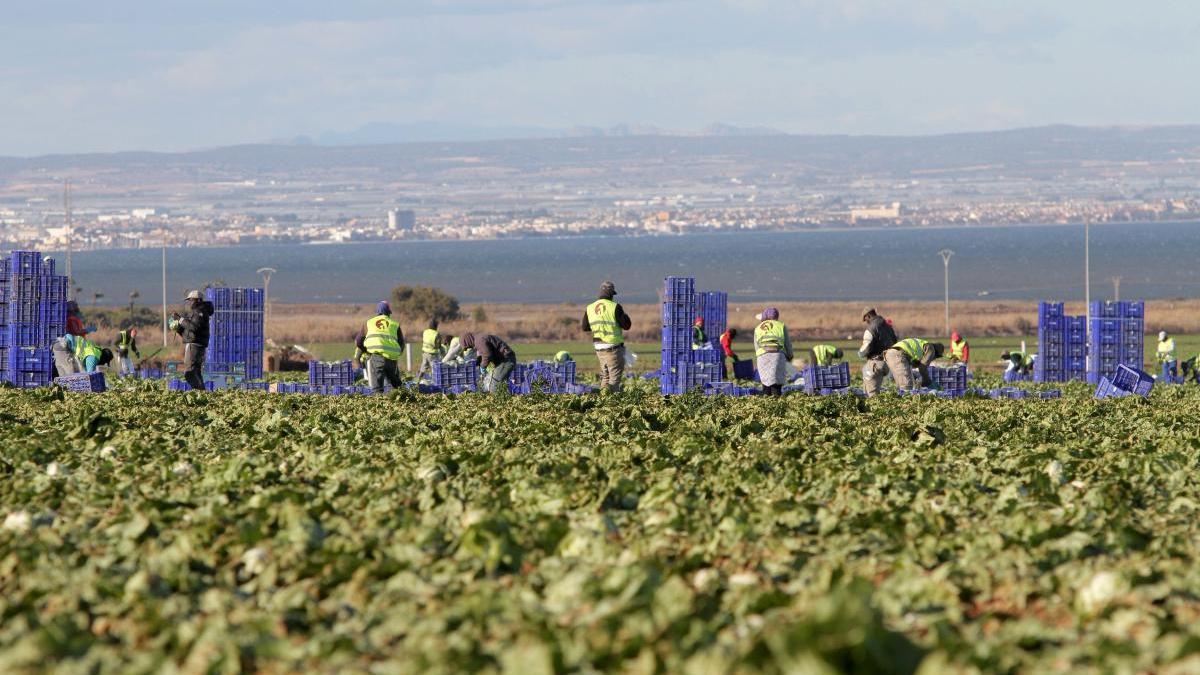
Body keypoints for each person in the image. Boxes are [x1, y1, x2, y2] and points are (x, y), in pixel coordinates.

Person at [581, 281, 632, 392]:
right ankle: (611, 401)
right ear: (611, 294)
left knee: (606, 376)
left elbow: (585, 327)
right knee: (614, 379)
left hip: (599, 348)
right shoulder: (615, 307)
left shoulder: (590, 308)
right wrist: (625, 316)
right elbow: (626, 325)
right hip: (612, 348)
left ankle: (603, 401)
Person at [354, 301, 405, 394]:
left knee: (377, 387)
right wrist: (397, 353)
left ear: (378, 312)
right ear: (388, 313)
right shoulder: (395, 324)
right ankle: (402, 397)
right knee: (395, 384)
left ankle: (380, 404)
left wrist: (366, 350)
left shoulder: (369, 323)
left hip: (376, 357)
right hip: (392, 358)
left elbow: (358, 341)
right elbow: (402, 343)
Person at [170, 290, 214, 391]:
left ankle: (200, 392)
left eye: (191, 300)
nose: (189, 302)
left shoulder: (199, 311)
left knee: (189, 373)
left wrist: (180, 319)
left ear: (198, 300)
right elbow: (192, 331)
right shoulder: (200, 311)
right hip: (197, 345)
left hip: (194, 346)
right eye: (188, 300)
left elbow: (193, 327)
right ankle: (202, 394)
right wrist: (179, 329)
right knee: (196, 372)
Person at [445, 332, 517, 393]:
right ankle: (506, 401)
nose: (469, 348)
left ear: (468, 341)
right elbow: (484, 354)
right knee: (501, 386)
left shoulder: (479, 341)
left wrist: (483, 367)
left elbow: (487, 355)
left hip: (506, 360)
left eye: (467, 346)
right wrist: (478, 363)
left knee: (494, 386)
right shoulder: (479, 339)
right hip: (505, 359)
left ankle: (498, 403)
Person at [859, 307, 898, 397]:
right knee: (874, 389)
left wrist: (860, 353)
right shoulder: (888, 327)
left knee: (871, 395)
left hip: (875, 363)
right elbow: (895, 342)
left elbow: (866, 349)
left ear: (868, 316)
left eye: (866, 319)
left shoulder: (871, 329)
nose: (866, 322)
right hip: (886, 362)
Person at [754, 308, 793, 396]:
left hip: (762, 357)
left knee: (766, 383)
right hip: (778, 356)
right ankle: (776, 402)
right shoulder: (781, 325)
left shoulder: (758, 327)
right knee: (776, 382)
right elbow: (788, 344)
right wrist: (790, 355)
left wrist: (760, 356)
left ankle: (766, 403)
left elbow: (756, 346)